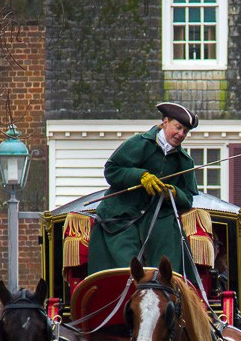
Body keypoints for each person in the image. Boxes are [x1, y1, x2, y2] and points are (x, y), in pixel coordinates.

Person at [86, 102, 201, 282]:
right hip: (121, 216)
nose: (181, 134)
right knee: (125, 269)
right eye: (178, 127)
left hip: (158, 220)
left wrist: (172, 192)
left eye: (185, 131)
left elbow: (188, 198)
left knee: (166, 266)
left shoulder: (185, 161)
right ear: (165, 122)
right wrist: (140, 176)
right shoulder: (138, 143)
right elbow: (111, 170)